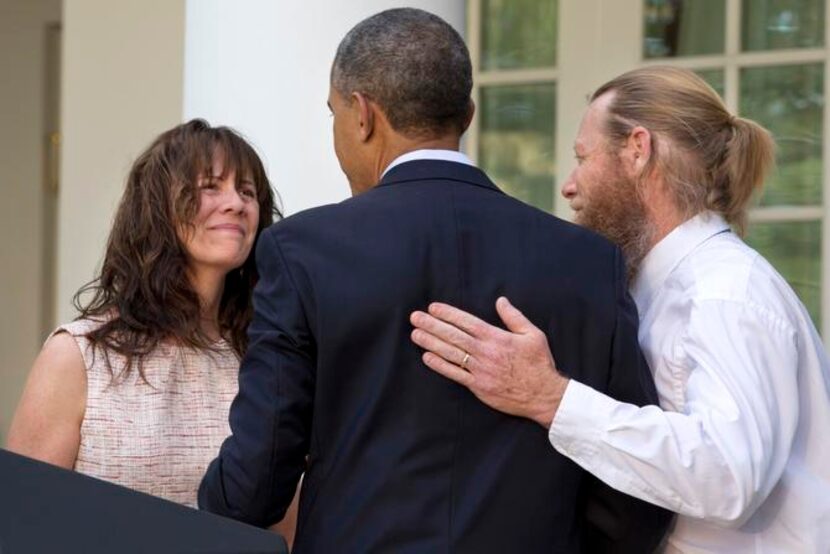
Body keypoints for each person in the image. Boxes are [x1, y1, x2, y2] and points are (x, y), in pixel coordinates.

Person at [198, 8, 671, 553]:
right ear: (467, 114)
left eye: (333, 113)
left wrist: (196, 504)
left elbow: (256, 482)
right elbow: (635, 490)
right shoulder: (589, 261)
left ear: (362, 115)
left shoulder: (302, 251)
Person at [410, 66, 830, 552]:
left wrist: (550, 397)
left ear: (637, 149)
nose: (568, 186)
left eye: (582, 157)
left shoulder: (726, 291)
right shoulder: (654, 292)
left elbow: (727, 476)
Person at [6, 119, 284, 511]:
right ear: (158, 207)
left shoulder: (267, 359)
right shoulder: (77, 356)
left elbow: (287, 528)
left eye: (247, 191)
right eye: (210, 186)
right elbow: (23, 519)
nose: (236, 203)